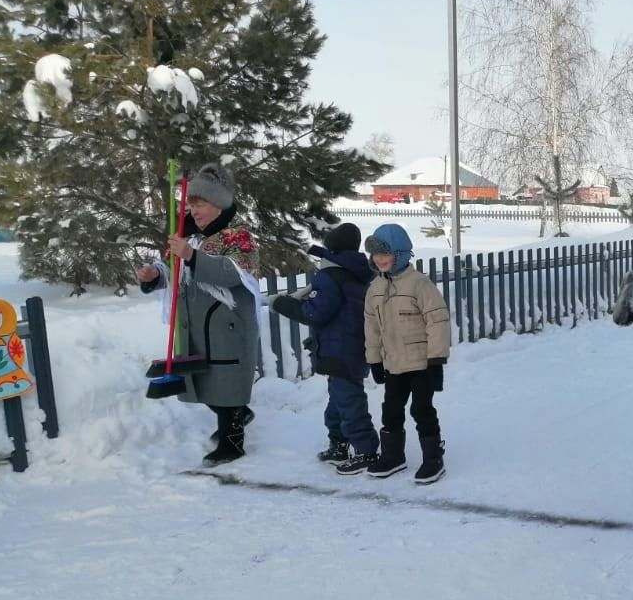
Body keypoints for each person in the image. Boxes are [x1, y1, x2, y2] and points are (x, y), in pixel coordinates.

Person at [137, 162, 263, 466]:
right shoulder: (191, 238)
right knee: (207, 381)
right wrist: (154, 273)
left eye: (200, 203)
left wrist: (191, 256)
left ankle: (232, 444)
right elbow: (175, 272)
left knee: (227, 382)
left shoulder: (238, 237)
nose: (194, 211)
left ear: (219, 204)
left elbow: (232, 274)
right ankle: (237, 415)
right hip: (196, 326)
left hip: (228, 325)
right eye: (191, 204)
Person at [267, 222, 379, 474]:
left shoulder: (330, 277)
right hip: (347, 346)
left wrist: (283, 305)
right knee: (338, 401)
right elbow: (342, 315)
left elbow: (316, 313)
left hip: (340, 350)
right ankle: (338, 445)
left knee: (349, 401)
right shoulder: (357, 274)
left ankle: (367, 450)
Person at [362, 223, 451, 483]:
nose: (379, 259)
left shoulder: (419, 284)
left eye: (384, 254)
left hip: (422, 363)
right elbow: (372, 327)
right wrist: (375, 360)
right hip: (393, 364)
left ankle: (433, 458)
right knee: (391, 410)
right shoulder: (375, 289)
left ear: (399, 254)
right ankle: (393, 456)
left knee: (422, 410)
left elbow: (438, 321)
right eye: (376, 254)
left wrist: (436, 361)